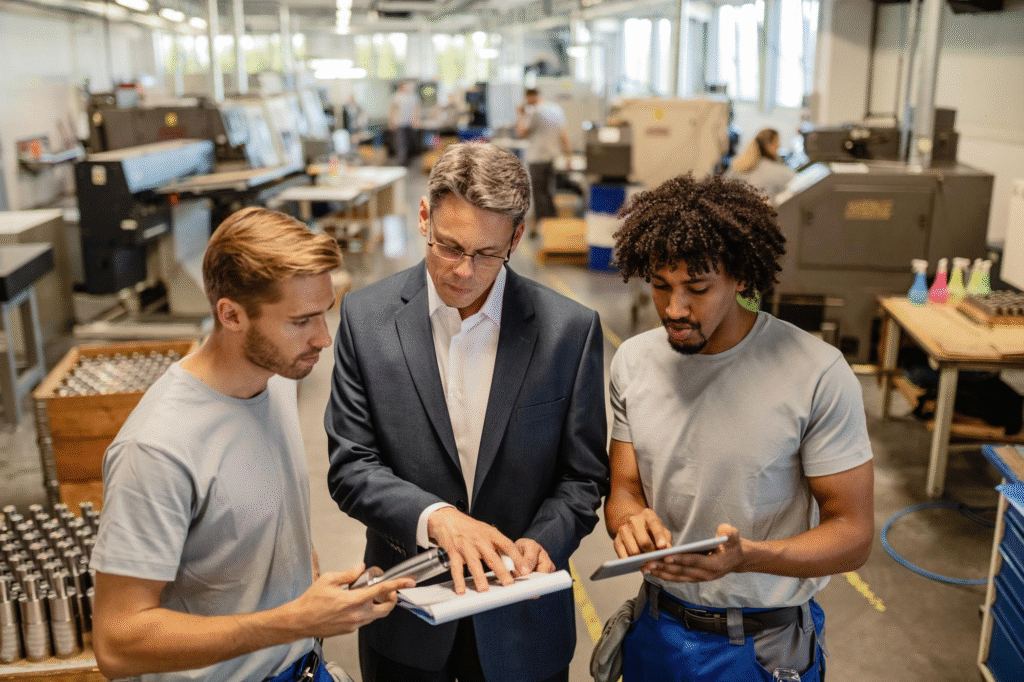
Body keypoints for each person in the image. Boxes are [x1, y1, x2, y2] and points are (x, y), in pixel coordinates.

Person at [89, 207, 414, 682]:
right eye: (301, 320)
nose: (324, 339)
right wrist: (292, 621)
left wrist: (310, 589)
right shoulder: (156, 450)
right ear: (231, 314)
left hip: (303, 667)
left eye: (325, 313)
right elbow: (118, 643)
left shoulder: (275, 378)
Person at [325, 141, 609, 682]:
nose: (461, 271)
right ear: (424, 216)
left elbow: (583, 477)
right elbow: (351, 465)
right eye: (447, 246)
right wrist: (438, 520)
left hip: (522, 626)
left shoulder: (568, 330)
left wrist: (542, 542)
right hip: (406, 621)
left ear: (517, 238)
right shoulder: (367, 318)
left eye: (484, 254)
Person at [605, 174, 874, 682]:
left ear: (742, 278)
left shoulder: (816, 372)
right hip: (658, 631)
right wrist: (629, 520)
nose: (674, 308)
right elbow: (623, 489)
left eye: (697, 288)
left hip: (764, 648)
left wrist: (748, 557)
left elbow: (854, 535)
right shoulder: (634, 362)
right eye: (661, 286)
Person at [515, 88, 571, 235]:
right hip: (553, 159)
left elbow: (521, 133)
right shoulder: (556, 109)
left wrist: (520, 115)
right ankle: (553, 226)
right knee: (549, 192)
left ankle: (545, 229)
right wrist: (569, 157)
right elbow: (563, 135)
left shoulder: (535, 112)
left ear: (530, 97)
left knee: (540, 195)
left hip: (537, 159)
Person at [726, 127, 796, 202]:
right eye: (777, 143)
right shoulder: (771, 169)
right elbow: (794, 180)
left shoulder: (739, 164)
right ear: (769, 145)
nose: (779, 146)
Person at [390, 80, 421, 166]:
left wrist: (416, 121)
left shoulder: (413, 97)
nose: (409, 87)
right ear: (402, 86)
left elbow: (416, 110)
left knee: (410, 143)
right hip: (400, 123)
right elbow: (393, 110)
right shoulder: (397, 97)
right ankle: (401, 163)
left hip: (410, 124)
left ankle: (409, 161)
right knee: (401, 144)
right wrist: (392, 121)